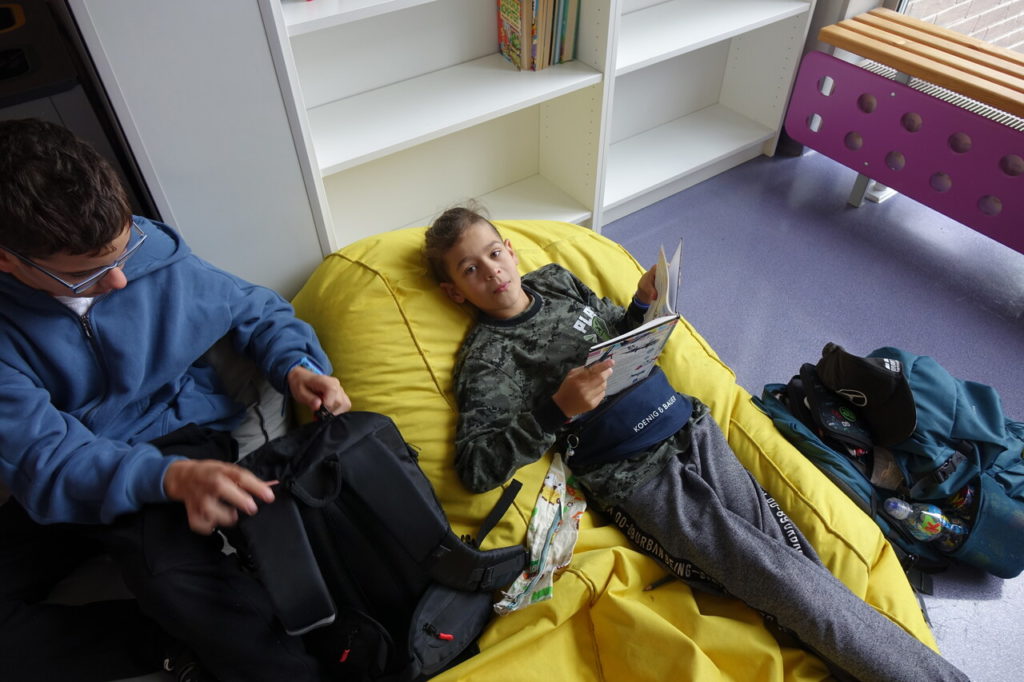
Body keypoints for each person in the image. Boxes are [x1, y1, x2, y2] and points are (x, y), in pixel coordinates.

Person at [422, 206, 969, 682]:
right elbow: (476, 467)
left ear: (510, 249)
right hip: (637, 477)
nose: (491, 270)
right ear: (454, 292)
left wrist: (642, 308)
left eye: (494, 253)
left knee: (797, 562)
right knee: (782, 580)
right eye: (470, 269)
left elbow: (617, 334)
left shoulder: (556, 282)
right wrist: (556, 409)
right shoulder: (488, 359)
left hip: (690, 426)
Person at [0, 118, 350, 682]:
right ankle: (178, 646)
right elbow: (45, 461)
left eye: (123, 252)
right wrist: (169, 481)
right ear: (7, 260)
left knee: (171, 576)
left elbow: (254, 309)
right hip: (83, 469)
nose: (119, 281)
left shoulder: (151, 250)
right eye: (86, 275)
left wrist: (295, 365)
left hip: (176, 438)